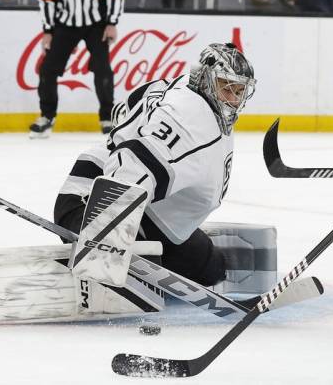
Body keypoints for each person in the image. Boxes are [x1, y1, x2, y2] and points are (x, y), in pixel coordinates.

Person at [54, 43, 256, 287]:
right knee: (144, 276)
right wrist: (102, 250)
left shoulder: (186, 86)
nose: (233, 100)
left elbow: (124, 109)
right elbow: (132, 164)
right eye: (226, 88)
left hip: (149, 214)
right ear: (205, 78)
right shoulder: (191, 119)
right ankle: (95, 261)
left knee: (211, 271)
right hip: (89, 203)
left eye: (239, 91)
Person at [31, 0, 125, 138]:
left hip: (96, 25)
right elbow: (46, 1)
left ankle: (107, 117)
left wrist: (111, 22)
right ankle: (47, 117)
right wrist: (48, 30)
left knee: (102, 69)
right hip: (66, 25)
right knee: (47, 70)